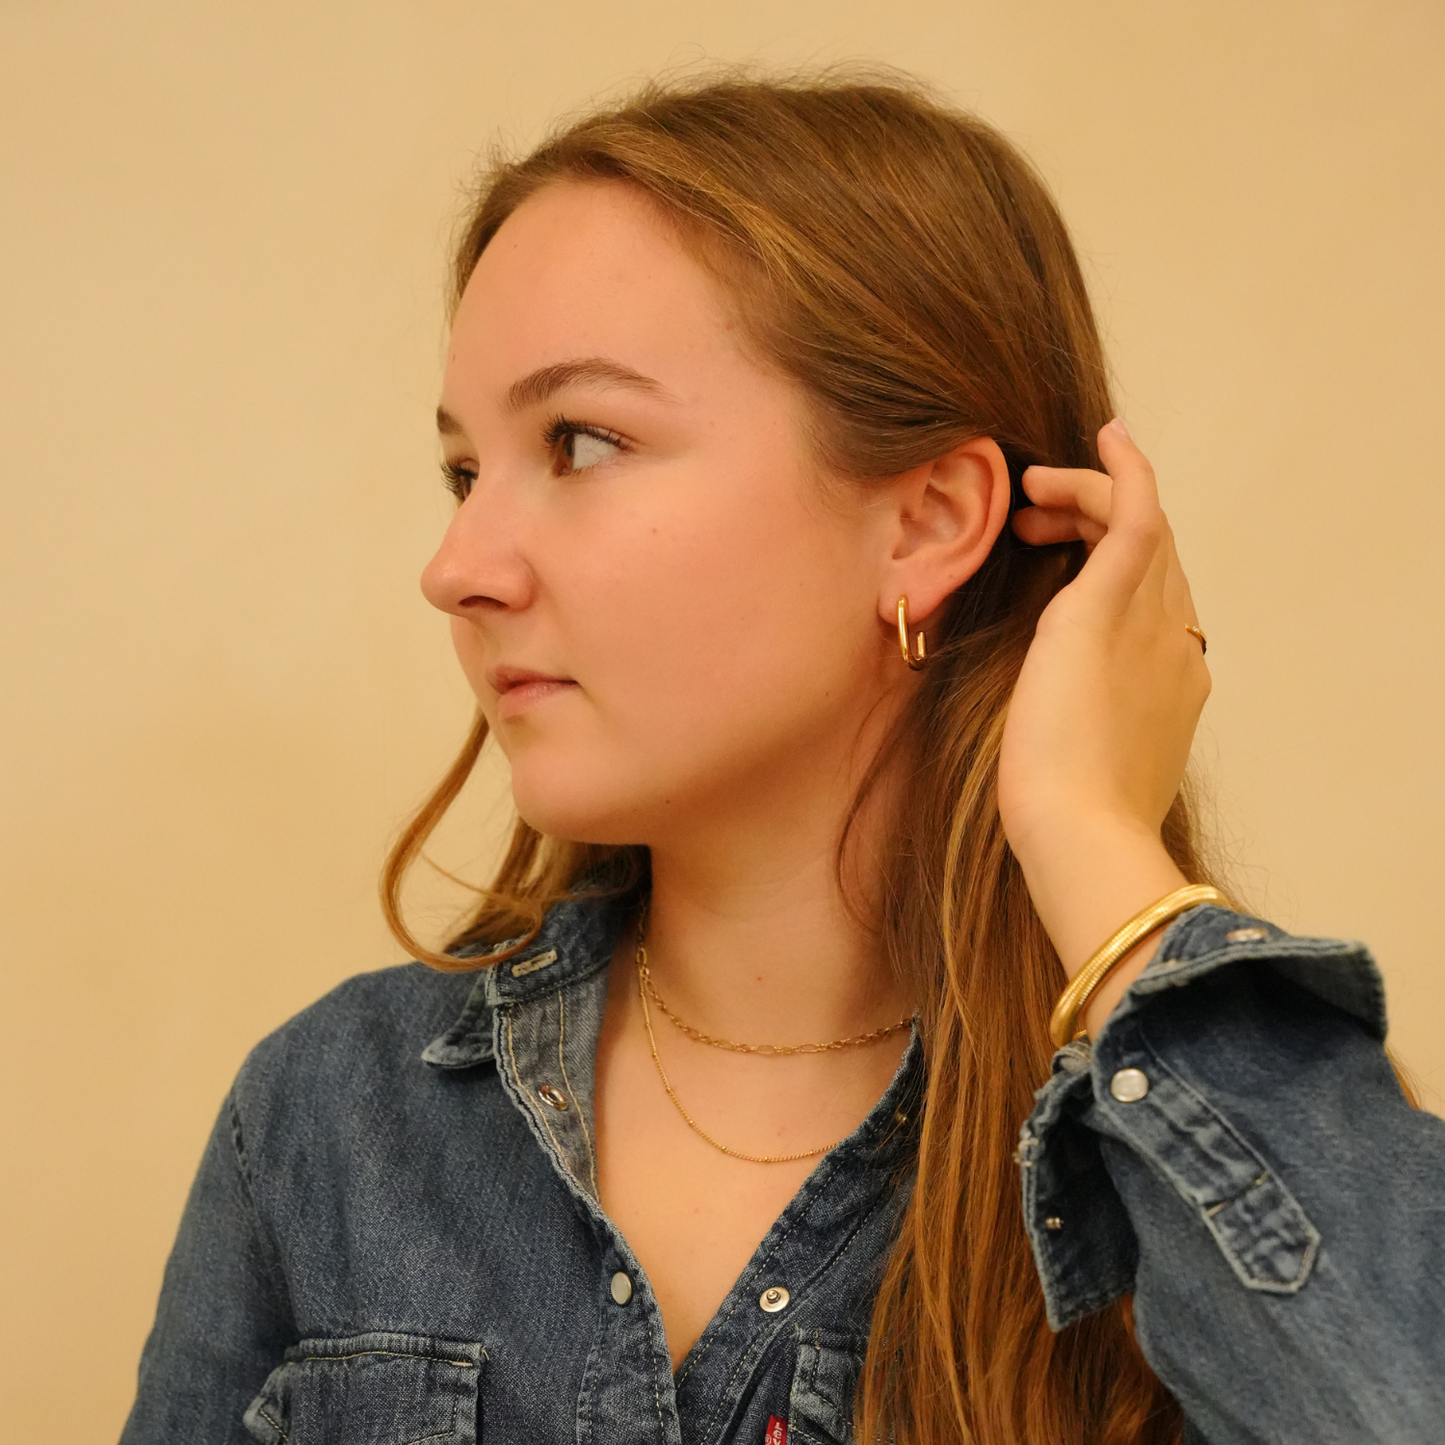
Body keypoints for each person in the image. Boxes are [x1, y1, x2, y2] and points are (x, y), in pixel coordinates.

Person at [121, 72, 1445, 1445]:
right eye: (466, 473)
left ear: (930, 521)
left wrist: (1089, 836)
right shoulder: (332, 1123)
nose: (456, 569)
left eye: (581, 440)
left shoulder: (1203, 1134)